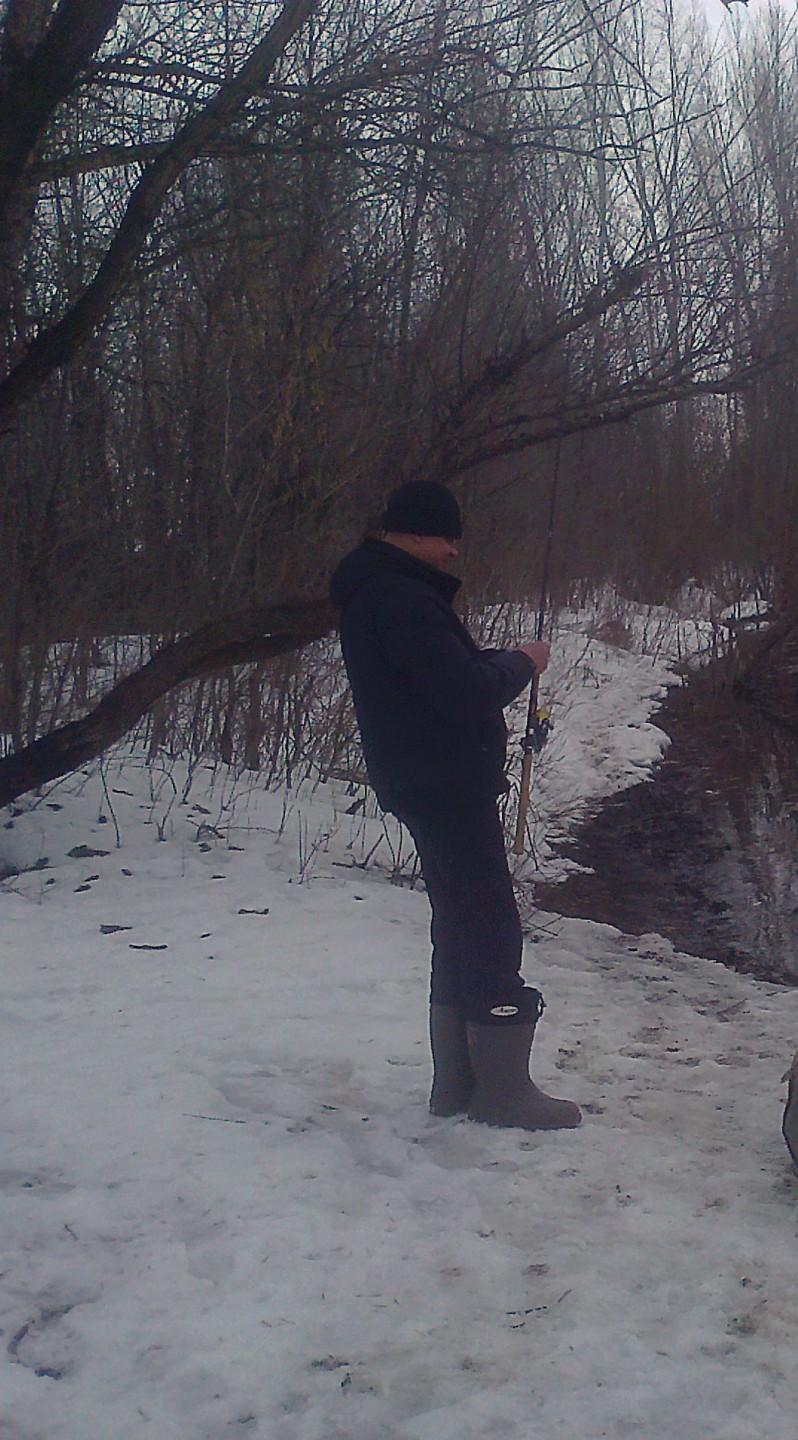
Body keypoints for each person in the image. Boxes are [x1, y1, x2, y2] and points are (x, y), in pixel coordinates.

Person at [329, 479, 581, 1130]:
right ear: (415, 533)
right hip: (444, 784)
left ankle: (458, 1086)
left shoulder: (380, 589)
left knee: (459, 919)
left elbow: (438, 674)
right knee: (489, 924)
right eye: (447, 538)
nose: (454, 552)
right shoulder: (400, 596)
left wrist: (500, 661)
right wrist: (521, 664)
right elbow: (464, 692)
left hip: (426, 780)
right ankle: (501, 1094)